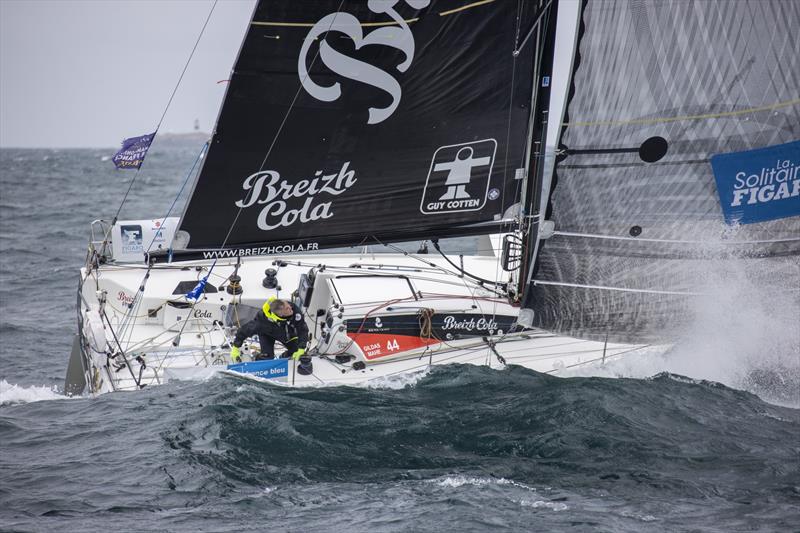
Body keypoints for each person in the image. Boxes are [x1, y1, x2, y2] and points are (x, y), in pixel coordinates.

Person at [229, 297, 308, 362]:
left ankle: (284, 357)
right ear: (280, 314)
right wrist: (235, 347)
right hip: (267, 334)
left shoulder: (294, 310)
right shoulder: (261, 321)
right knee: (267, 358)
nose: (291, 308)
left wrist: (301, 348)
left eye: (289, 305)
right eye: (287, 309)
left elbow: (302, 329)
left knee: (296, 350)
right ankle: (257, 360)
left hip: (286, 333)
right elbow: (244, 331)